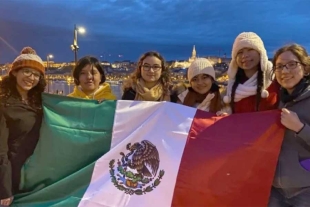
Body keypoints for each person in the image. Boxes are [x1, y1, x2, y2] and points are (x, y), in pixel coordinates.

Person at [0, 47, 46, 206]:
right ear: (14, 73)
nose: (31, 78)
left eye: (36, 75)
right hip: (13, 175)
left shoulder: (39, 102)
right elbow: (1, 151)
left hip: (36, 174)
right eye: (26, 71)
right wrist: (4, 189)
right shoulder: (3, 104)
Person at [268, 44, 310, 206]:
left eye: (291, 64)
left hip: (305, 189)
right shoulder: (275, 100)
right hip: (275, 189)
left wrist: (300, 127)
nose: (285, 71)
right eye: (279, 67)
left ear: (305, 69)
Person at [223, 32, 279, 114]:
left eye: (250, 50)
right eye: (240, 52)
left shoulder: (276, 80)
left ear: (261, 53)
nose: (244, 55)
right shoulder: (230, 88)